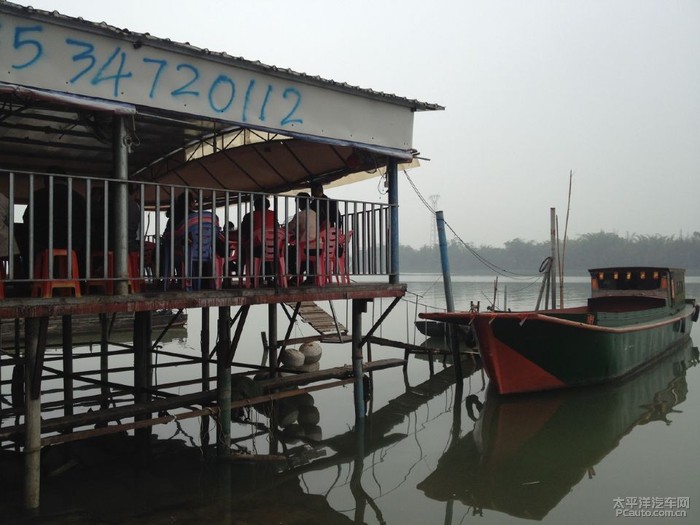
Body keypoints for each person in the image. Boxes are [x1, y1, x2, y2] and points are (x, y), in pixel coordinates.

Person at [23, 168, 87, 277]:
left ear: (46, 180)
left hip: (43, 241)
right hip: (73, 242)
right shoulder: (78, 197)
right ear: (66, 180)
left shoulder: (38, 195)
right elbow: (86, 221)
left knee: (26, 246)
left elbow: (27, 218)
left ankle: (33, 281)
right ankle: (78, 283)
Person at [287, 192, 319, 282]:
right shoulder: (315, 214)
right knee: (304, 254)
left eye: (296, 202)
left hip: (305, 247)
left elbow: (288, 228)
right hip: (318, 247)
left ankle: (296, 274)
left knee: (289, 251)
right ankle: (309, 277)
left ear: (300, 202)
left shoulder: (299, 215)